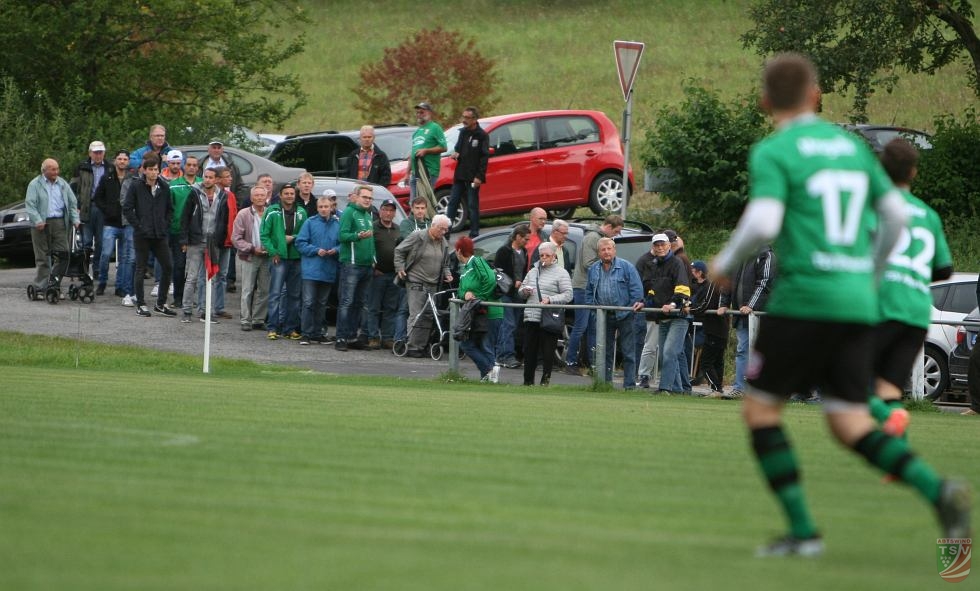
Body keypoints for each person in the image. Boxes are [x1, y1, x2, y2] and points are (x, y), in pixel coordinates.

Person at [709, 52, 969, 557]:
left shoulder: (775, 149)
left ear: (765, 102)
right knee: (849, 423)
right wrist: (866, 273)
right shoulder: (851, 148)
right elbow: (895, 217)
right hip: (855, 302)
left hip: (805, 297)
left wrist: (724, 261)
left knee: (761, 410)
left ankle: (803, 532)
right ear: (815, 95)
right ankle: (939, 492)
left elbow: (763, 223)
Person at [869, 138, 953, 437]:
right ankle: (897, 457)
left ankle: (885, 423)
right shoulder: (929, 215)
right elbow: (944, 269)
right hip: (917, 313)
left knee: (844, 379)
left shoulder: (876, 207)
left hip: (883, 305)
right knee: (888, 389)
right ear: (914, 172)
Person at [565, 215, 624, 375]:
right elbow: (588, 263)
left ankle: (593, 364)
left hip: (595, 288)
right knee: (581, 326)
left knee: (593, 328)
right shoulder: (593, 238)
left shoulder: (600, 239)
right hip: (583, 287)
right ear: (609, 227)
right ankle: (570, 361)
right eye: (617, 231)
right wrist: (608, 267)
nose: (617, 235)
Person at [716, 244, 775, 399]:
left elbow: (764, 282)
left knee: (762, 352)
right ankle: (739, 387)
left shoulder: (766, 255)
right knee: (742, 350)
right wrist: (723, 303)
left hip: (761, 314)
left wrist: (751, 305)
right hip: (743, 314)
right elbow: (727, 281)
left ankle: (764, 390)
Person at [585, 237, 644, 389]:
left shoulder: (627, 267)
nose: (606, 252)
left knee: (628, 352)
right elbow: (589, 293)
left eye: (609, 249)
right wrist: (594, 311)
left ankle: (629, 386)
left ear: (614, 250)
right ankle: (605, 384)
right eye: (603, 250)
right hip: (603, 316)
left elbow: (636, 291)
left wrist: (632, 308)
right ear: (598, 253)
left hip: (625, 315)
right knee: (605, 352)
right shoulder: (593, 269)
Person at [636, 233, 691, 394]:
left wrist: (673, 304)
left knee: (669, 352)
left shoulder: (677, 263)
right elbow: (653, 291)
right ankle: (678, 389)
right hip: (662, 317)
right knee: (665, 356)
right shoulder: (654, 265)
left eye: (662, 245)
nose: (659, 247)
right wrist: (644, 302)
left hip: (679, 315)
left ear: (669, 246)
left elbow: (683, 288)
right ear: (653, 247)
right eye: (656, 245)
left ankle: (665, 388)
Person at [122, 153, 175, 318]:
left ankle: (160, 303)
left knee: (168, 266)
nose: (154, 172)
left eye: (156, 169)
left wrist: (165, 224)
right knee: (140, 268)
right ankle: (141, 304)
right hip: (142, 234)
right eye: (150, 169)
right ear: (144, 170)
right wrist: (138, 225)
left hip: (159, 234)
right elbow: (127, 208)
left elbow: (170, 209)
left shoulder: (164, 187)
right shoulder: (136, 186)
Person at [394, 214, 453, 358]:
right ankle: (412, 345)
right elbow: (399, 251)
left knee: (428, 315)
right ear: (433, 225)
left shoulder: (443, 242)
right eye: (441, 229)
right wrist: (400, 267)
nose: (444, 232)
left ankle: (421, 345)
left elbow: (445, 262)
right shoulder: (418, 236)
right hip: (416, 280)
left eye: (446, 229)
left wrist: (447, 273)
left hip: (433, 283)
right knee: (416, 313)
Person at [179, 168, 231, 323]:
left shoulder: (222, 196)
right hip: (196, 240)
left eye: (210, 177)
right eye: (205, 177)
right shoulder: (194, 193)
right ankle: (187, 311)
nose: (207, 180)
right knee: (192, 278)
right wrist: (184, 240)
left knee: (211, 278)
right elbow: (185, 217)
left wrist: (220, 240)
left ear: (216, 180)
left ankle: (206, 312)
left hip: (213, 242)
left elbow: (224, 219)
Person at [520, 242, 573, 386]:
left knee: (548, 352)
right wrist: (524, 291)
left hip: (549, 317)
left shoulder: (561, 273)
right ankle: (527, 382)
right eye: (541, 255)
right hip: (531, 316)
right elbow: (521, 291)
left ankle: (545, 381)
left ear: (554, 256)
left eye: (547, 255)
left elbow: (568, 295)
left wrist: (550, 299)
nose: (544, 258)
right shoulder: (533, 271)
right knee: (529, 351)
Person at [25, 158, 79, 296]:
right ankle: (42, 286)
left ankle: (54, 285)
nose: (56, 172)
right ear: (45, 170)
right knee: (43, 256)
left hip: (60, 222)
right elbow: (30, 205)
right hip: (41, 224)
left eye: (57, 169)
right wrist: (37, 220)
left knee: (63, 254)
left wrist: (75, 219)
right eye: (53, 169)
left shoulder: (62, 183)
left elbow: (72, 203)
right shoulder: (34, 184)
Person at [261, 182, 307, 339]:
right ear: (280, 195)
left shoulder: (301, 212)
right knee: (275, 294)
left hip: (296, 258)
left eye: (292, 193)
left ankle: (290, 329)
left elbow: (305, 234)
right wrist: (273, 252)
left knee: (294, 295)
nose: (289, 196)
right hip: (278, 258)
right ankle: (273, 328)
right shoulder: (272, 211)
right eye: (286, 193)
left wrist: (293, 238)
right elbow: (264, 235)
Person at [335, 184, 377, 351]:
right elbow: (342, 236)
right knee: (347, 302)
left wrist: (373, 258)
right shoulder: (349, 212)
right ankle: (341, 338)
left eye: (370, 198)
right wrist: (357, 236)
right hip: (352, 264)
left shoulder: (368, 214)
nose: (368, 200)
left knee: (360, 303)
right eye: (365, 197)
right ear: (356, 197)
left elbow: (372, 240)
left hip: (367, 266)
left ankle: (352, 336)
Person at [454, 236, 501, 382]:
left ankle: (490, 371)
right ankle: (488, 373)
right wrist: (466, 294)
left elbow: (490, 280)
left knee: (484, 346)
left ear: (459, 251)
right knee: (469, 344)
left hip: (490, 312)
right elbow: (461, 291)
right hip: (477, 313)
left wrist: (479, 297)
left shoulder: (477, 261)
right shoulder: (465, 269)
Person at [295, 195, 340, 345]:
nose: (323, 209)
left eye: (326, 206)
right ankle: (306, 333)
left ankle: (318, 332)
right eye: (321, 207)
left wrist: (336, 250)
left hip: (328, 269)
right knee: (308, 302)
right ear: (317, 208)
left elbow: (343, 244)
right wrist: (315, 250)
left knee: (322, 303)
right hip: (311, 269)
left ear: (331, 207)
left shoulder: (337, 224)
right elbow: (300, 243)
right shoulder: (310, 222)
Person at [93, 150, 134, 299]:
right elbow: (97, 197)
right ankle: (102, 281)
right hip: (110, 222)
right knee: (105, 253)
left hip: (127, 222)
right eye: (120, 159)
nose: (122, 161)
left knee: (124, 257)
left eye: (125, 159)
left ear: (128, 162)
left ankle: (120, 286)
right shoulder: (107, 177)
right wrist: (107, 210)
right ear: (115, 160)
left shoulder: (133, 179)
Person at [231, 186, 271, 331]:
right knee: (247, 289)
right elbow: (235, 238)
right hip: (249, 256)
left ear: (266, 197)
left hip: (267, 257)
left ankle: (258, 319)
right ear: (252, 198)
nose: (260, 198)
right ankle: (245, 319)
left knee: (265, 290)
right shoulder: (243, 214)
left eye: (262, 195)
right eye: (257, 195)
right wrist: (252, 248)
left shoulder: (271, 213)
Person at [364, 198, 402, 350]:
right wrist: (372, 268)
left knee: (390, 307)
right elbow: (367, 248)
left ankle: (387, 337)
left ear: (394, 213)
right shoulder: (372, 227)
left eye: (391, 210)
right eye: (385, 209)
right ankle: (373, 336)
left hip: (393, 275)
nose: (388, 213)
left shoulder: (398, 229)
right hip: (377, 274)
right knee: (373, 307)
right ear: (380, 211)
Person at [446, 106, 489, 238]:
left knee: (472, 204)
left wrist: (479, 177)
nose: (464, 120)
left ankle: (474, 233)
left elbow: (484, 157)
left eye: (467, 118)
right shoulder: (463, 132)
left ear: (474, 119)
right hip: (460, 174)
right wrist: (456, 153)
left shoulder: (482, 135)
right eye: (463, 117)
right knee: (453, 201)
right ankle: (446, 231)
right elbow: (458, 148)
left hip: (473, 176)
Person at [70, 140, 108, 284]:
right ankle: (84, 270)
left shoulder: (109, 167)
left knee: (101, 241)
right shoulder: (81, 167)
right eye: (95, 152)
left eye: (100, 152)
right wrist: (76, 205)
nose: (98, 155)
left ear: (104, 153)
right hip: (86, 206)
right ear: (90, 153)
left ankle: (97, 268)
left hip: (102, 209)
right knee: (85, 241)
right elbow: (73, 188)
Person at [688, 260, 728, 395]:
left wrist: (691, 310)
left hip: (714, 328)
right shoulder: (725, 284)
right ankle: (718, 389)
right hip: (722, 328)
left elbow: (706, 304)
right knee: (717, 361)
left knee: (706, 363)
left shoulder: (714, 284)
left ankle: (716, 388)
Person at [494, 224, 530, 369]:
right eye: (525, 239)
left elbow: (523, 270)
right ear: (517, 237)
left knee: (513, 325)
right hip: (506, 293)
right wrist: (512, 281)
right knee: (508, 324)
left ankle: (503, 354)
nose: (527, 242)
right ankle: (505, 356)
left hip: (518, 293)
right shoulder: (504, 251)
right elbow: (497, 271)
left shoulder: (525, 252)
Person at [167, 154, 201, 308]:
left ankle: (191, 298)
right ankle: (178, 297)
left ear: (198, 168)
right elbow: (168, 208)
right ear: (184, 166)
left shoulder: (203, 184)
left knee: (195, 268)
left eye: (195, 165)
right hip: (177, 230)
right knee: (179, 265)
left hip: (197, 232)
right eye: (189, 165)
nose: (192, 167)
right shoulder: (174, 185)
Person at [210, 166, 238, 318]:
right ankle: (209, 307)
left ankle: (219, 307)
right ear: (219, 179)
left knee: (223, 275)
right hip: (214, 241)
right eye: (227, 176)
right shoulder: (213, 194)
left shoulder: (231, 195)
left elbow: (233, 217)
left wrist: (233, 237)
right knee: (212, 275)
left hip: (227, 241)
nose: (230, 178)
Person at [409, 101, 446, 201]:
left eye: (422, 112)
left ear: (429, 113)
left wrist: (426, 151)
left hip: (427, 171)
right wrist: (406, 173)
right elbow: (412, 153)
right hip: (415, 172)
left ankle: (428, 217)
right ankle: (415, 217)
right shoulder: (417, 131)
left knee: (423, 201)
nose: (419, 115)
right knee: (413, 202)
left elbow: (443, 147)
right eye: (417, 112)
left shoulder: (435, 128)